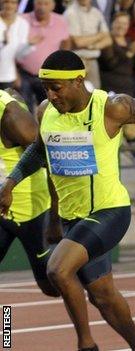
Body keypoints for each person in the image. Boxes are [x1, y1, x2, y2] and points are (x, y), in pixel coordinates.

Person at [0, 50, 135, 351]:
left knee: (58, 269)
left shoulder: (112, 107)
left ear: (79, 81)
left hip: (109, 211)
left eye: (56, 87)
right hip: (74, 218)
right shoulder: (45, 111)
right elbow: (39, 152)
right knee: (102, 296)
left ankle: (86, 344)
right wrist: (10, 181)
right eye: (45, 87)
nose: (50, 94)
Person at [0, 88, 59, 298]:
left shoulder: (11, 114)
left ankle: (87, 274)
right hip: (2, 212)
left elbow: (50, 160)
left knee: (53, 286)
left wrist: (55, 218)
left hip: (32, 211)